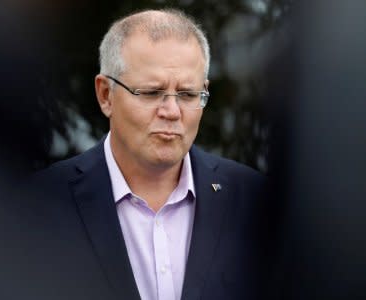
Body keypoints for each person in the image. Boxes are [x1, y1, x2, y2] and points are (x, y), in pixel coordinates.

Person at [30, 8, 268, 300]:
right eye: (151, 93)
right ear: (106, 95)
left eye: (187, 95)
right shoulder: (38, 204)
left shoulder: (255, 202)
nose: (171, 111)